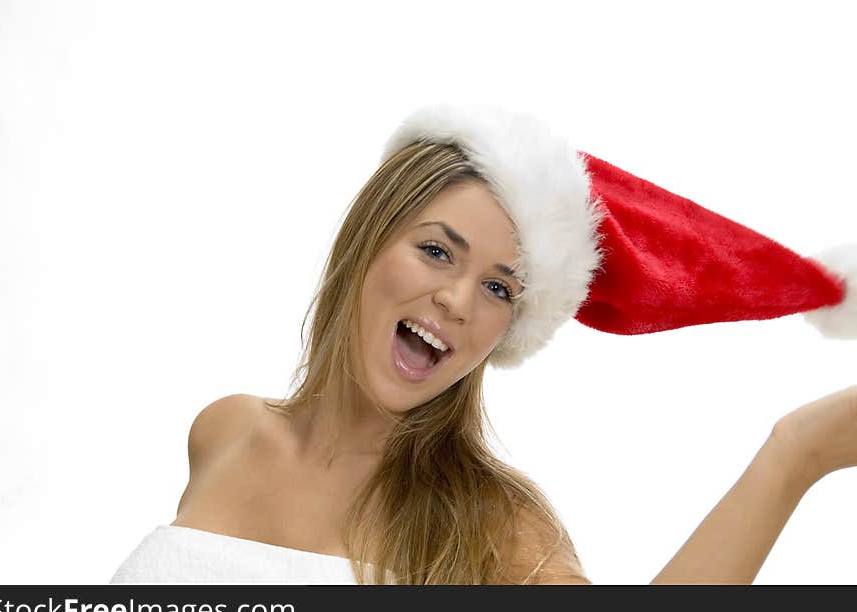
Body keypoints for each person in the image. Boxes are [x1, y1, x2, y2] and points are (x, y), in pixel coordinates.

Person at [111, 103, 856, 585]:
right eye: (438, 251)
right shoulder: (224, 430)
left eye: (501, 287)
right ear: (367, 242)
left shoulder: (491, 522)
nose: (459, 302)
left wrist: (796, 455)